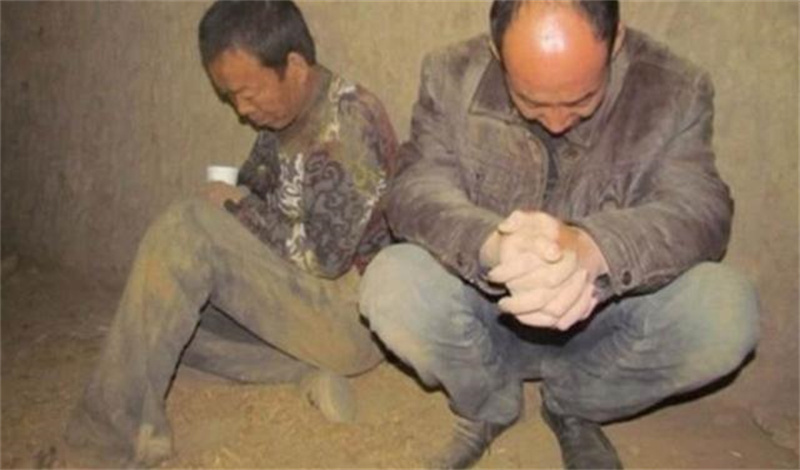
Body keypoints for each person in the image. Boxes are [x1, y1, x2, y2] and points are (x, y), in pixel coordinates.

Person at [359, 1, 759, 468]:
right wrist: (492, 243)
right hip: (485, 317)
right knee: (392, 283)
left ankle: (573, 404)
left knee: (725, 312)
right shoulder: (450, 75)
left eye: (581, 100)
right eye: (529, 101)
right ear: (496, 52)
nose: (555, 121)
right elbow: (415, 187)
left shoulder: (674, 90)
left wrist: (594, 248)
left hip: (607, 324)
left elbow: (700, 208)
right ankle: (490, 402)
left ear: (617, 41)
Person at [64, 1, 397, 466]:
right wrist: (234, 202)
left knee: (186, 232)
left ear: (294, 67)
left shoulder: (351, 121)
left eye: (248, 93)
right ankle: (302, 374)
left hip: (351, 317)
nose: (242, 110)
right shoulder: (280, 120)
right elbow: (254, 191)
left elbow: (324, 258)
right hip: (298, 305)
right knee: (158, 320)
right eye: (230, 97)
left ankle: (103, 447)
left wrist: (234, 208)